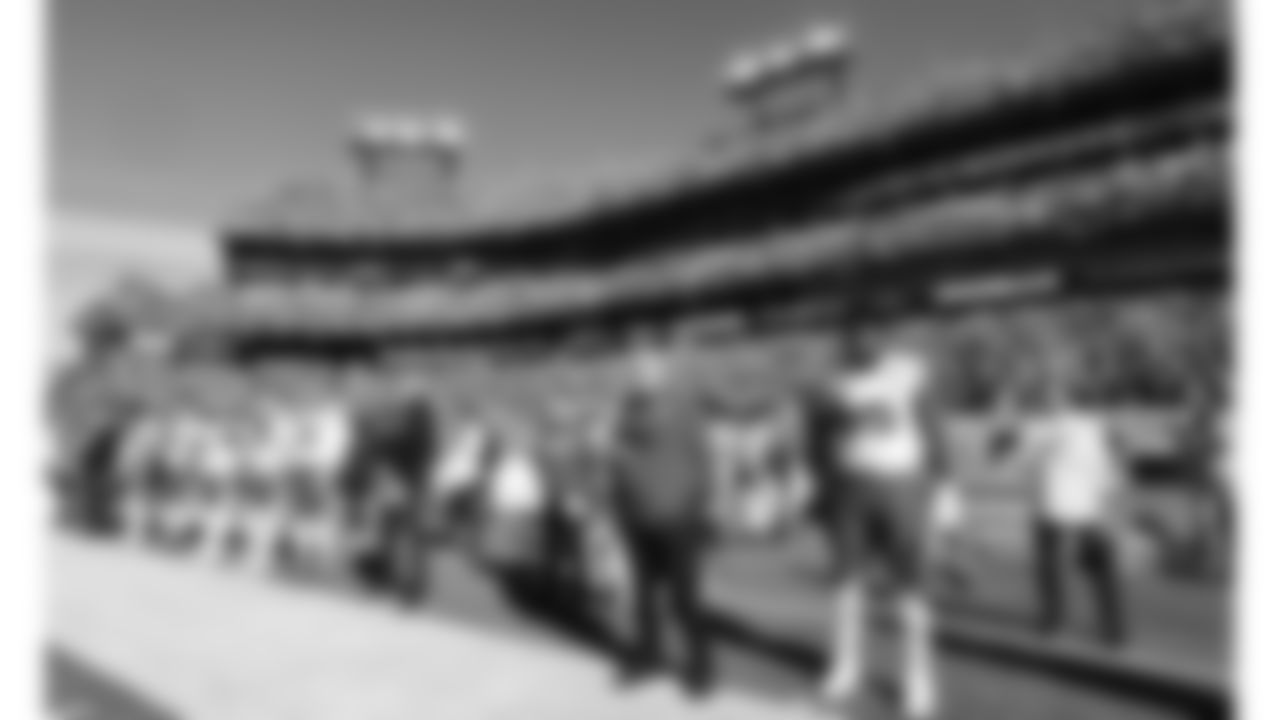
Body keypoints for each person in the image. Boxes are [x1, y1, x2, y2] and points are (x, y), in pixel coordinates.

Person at [803, 328, 946, 719]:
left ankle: (918, 678)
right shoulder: (830, 382)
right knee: (845, 584)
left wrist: (946, 488)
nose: (862, 345)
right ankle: (845, 668)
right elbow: (814, 441)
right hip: (850, 489)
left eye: (870, 337)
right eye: (853, 338)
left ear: (884, 340)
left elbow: (933, 431)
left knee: (911, 588)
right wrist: (818, 487)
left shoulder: (910, 373)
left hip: (901, 486)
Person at [610, 338, 717, 698]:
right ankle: (648, 657)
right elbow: (619, 458)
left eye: (648, 367)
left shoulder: (683, 405)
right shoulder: (627, 407)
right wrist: (619, 507)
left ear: (662, 371)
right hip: (636, 519)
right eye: (635, 368)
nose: (640, 374)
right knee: (643, 597)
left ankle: (700, 666)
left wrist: (698, 508)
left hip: (678, 518)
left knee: (684, 599)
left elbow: (702, 458)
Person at [1019, 381, 1128, 646]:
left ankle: (1102, 627)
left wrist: (1107, 502)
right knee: (1060, 569)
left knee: (1088, 568)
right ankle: (1063, 622)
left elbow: (1105, 468)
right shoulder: (1039, 428)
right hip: (1061, 506)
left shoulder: (1075, 428)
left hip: (1072, 507)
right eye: (1046, 398)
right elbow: (1025, 465)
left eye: (1054, 398)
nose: (1050, 403)